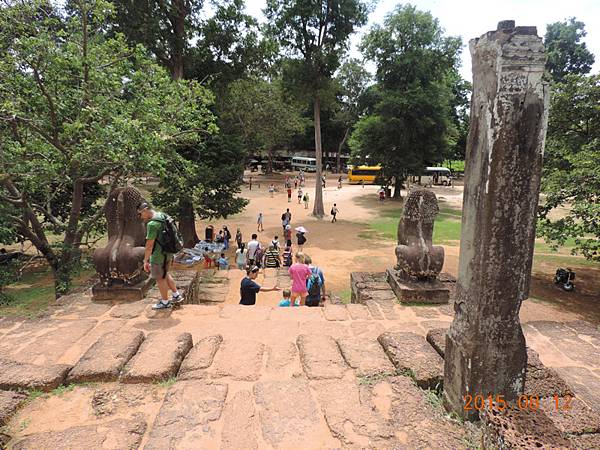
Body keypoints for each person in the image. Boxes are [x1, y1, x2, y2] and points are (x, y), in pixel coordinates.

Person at [138, 202, 181, 310]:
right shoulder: (163, 215)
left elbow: (149, 245)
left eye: (140, 214)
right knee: (165, 274)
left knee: (159, 278)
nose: (140, 217)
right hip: (169, 252)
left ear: (145, 210)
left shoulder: (152, 224)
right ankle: (176, 295)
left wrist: (145, 261)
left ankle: (165, 302)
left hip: (158, 256)